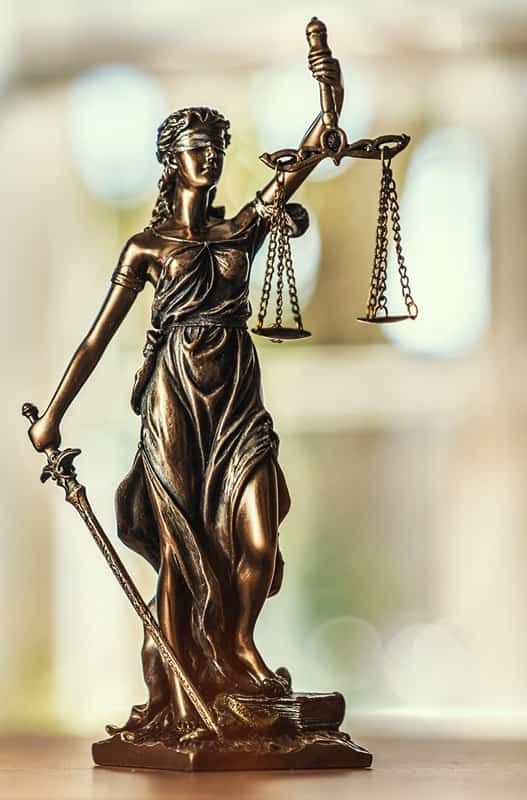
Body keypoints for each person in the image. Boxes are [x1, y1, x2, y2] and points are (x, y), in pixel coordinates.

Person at [26, 56, 343, 742]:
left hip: (236, 397)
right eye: (197, 149)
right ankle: (187, 684)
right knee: (184, 552)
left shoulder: (242, 229)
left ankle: (238, 648)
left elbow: (315, 147)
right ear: (171, 160)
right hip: (174, 401)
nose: (212, 159)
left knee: (257, 539)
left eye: (218, 148)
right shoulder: (147, 247)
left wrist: (328, 88)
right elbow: (95, 339)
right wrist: (54, 414)